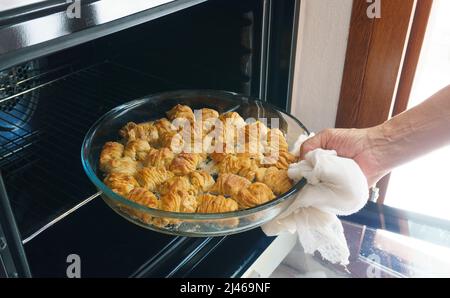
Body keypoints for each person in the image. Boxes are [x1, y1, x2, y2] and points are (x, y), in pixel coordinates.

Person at [300, 85, 450, 187]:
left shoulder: (275, 123)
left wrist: (376, 146)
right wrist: (375, 145)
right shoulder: (274, 122)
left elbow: (275, 120)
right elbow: (275, 119)